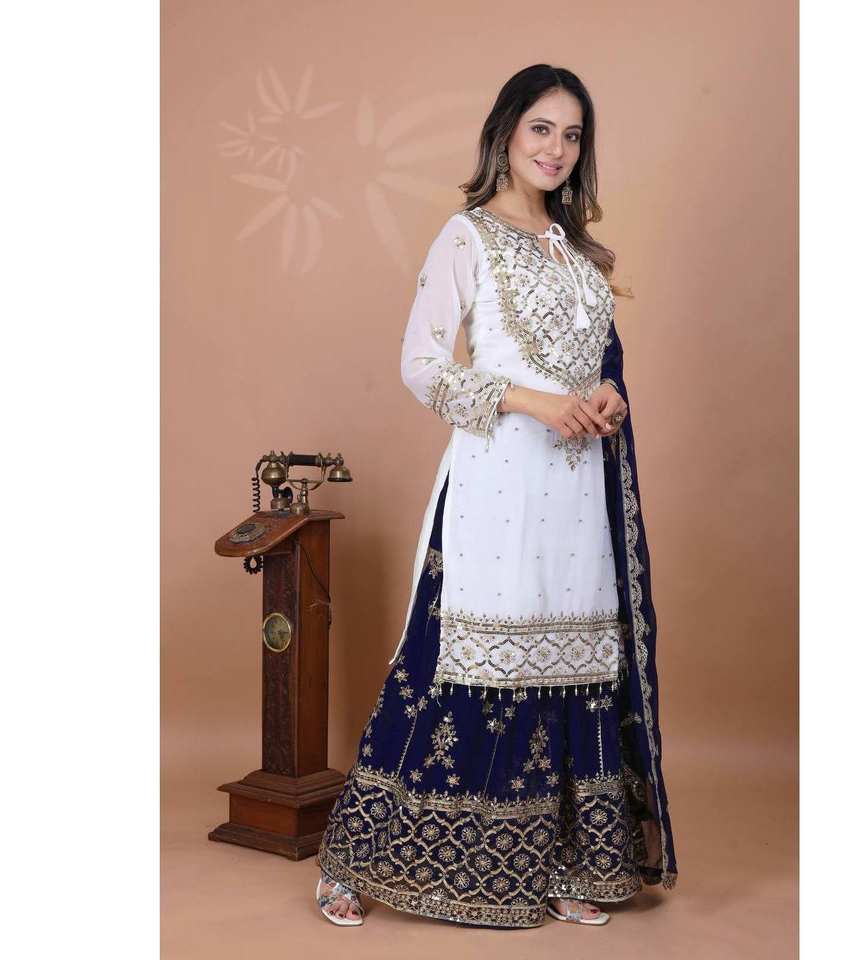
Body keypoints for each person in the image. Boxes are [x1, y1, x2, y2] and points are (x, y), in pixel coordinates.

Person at [314, 63, 678, 929]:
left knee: (573, 664)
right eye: (541, 129)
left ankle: (560, 860)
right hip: (497, 486)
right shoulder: (466, 235)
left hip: (578, 493)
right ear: (506, 134)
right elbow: (422, 365)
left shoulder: (579, 252)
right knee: (462, 658)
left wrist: (608, 397)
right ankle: (351, 862)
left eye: (573, 134)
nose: (557, 149)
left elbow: (599, 364)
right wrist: (532, 401)